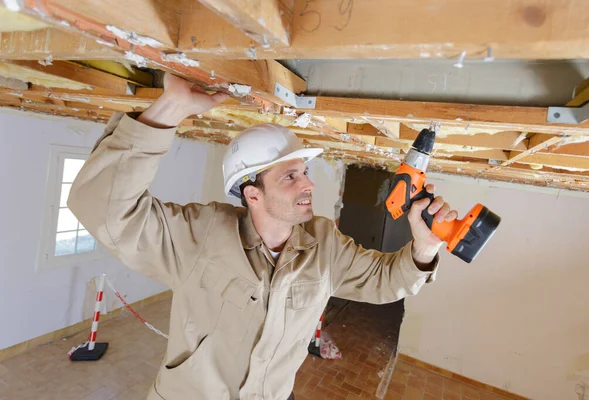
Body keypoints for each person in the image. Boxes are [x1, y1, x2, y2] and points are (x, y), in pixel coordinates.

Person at [68, 73, 458, 400]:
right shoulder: (200, 235)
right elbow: (102, 207)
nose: (308, 184)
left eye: (304, 171)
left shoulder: (324, 243)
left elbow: (383, 281)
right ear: (252, 194)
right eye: (290, 176)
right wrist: (171, 108)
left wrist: (424, 247)